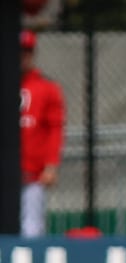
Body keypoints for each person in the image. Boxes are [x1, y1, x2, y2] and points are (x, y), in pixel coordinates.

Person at [19, 30, 65, 238]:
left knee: (31, 230)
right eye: (19, 51)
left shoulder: (46, 87)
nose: (22, 56)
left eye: (27, 51)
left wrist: (51, 165)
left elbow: (55, 128)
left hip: (32, 175)